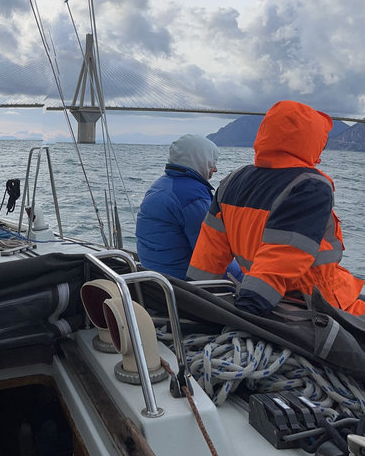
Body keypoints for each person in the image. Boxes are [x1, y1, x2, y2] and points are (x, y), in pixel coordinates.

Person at [187, 100, 365, 317]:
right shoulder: (309, 186)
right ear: (313, 140)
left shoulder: (231, 181)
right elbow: (284, 255)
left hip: (269, 297)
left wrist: (192, 303)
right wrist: (250, 313)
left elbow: (208, 256)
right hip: (315, 303)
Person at [136, 134, 240, 280]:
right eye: (211, 163)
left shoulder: (162, 184)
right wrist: (247, 278)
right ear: (198, 160)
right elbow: (211, 254)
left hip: (155, 279)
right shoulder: (190, 196)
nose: (215, 169)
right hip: (183, 287)